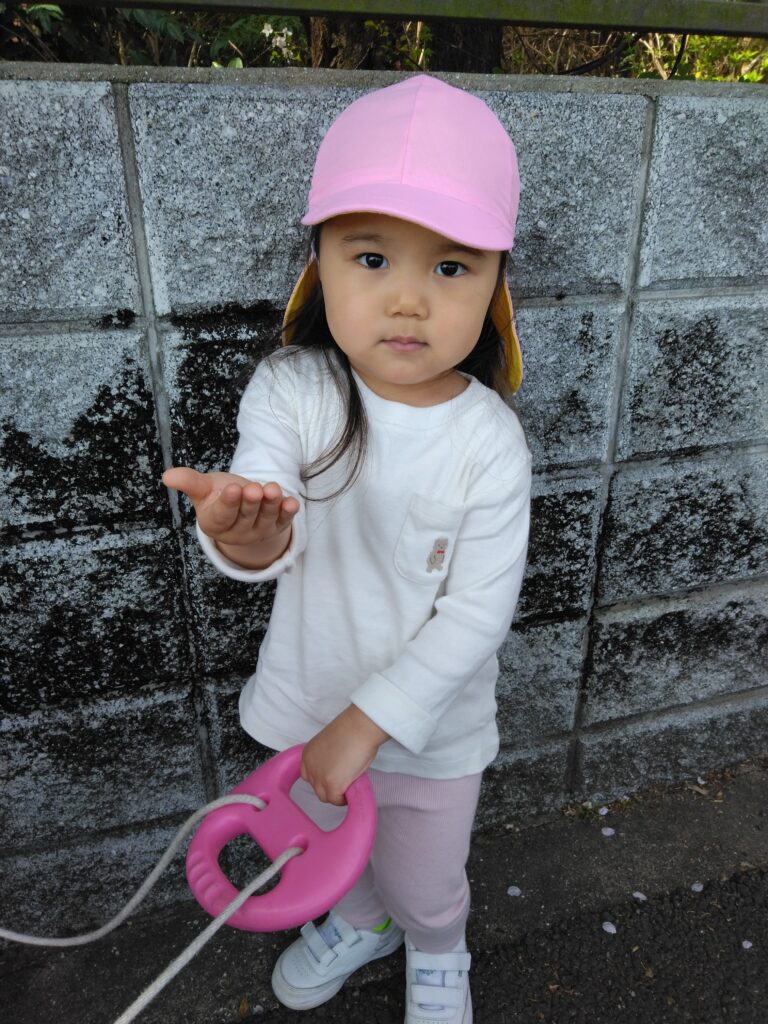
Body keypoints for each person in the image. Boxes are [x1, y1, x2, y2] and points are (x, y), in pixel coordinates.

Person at [163, 74, 531, 1024]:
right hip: (307, 711)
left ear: (496, 285)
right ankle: (362, 925)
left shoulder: (489, 440)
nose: (408, 299)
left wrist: (368, 725)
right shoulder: (292, 391)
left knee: (424, 880)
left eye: (451, 268)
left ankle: (438, 949)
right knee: (339, 857)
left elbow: (479, 614)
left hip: (431, 738)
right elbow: (264, 496)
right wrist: (250, 533)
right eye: (371, 257)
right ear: (318, 265)